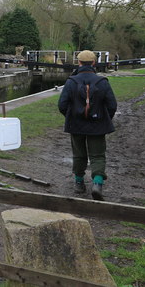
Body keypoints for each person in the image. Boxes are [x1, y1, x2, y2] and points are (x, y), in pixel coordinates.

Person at [58, 50, 117, 200]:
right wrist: (104, 119)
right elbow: (112, 105)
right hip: (98, 126)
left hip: (76, 126)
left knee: (79, 154)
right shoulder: (102, 82)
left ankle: (79, 183)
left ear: (78, 63)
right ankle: (97, 184)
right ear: (94, 63)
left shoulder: (71, 82)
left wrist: (72, 117)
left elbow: (62, 105)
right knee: (97, 155)